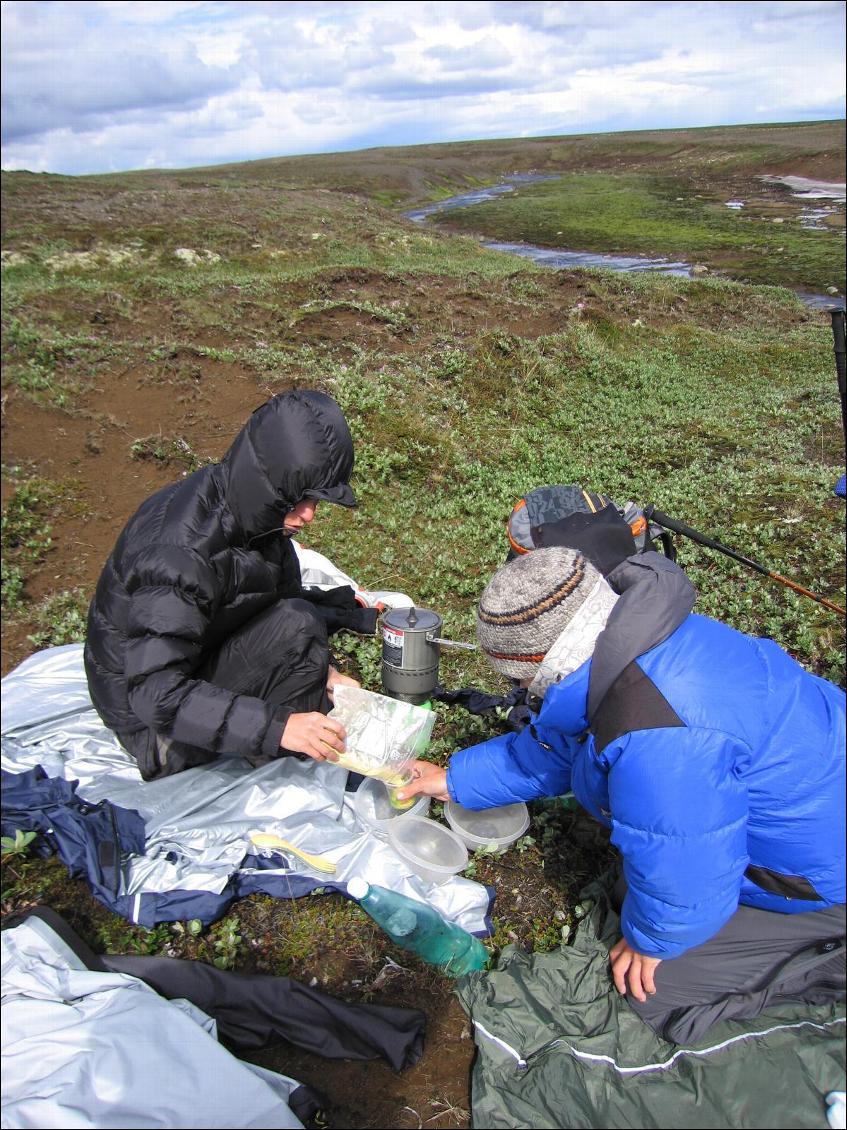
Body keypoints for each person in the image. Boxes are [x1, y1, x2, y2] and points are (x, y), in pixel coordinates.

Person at [398, 545, 846, 1044]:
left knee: (652, 989)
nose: (520, 689)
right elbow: (561, 747)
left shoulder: (655, 733)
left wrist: (653, 941)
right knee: (637, 889)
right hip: (812, 801)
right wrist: (455, 780)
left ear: (543, 662)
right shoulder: (640, 639)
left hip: (816, 874)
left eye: (517, 678)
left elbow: (688, 861)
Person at [84, 388, 361, 781]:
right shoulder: (180, 556)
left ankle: (295, 737)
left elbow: (282, 605)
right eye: (298, 499)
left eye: (315, 500)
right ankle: (284, 762)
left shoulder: (256, 514)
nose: (309, 516)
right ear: (266, 483)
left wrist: (328, 675)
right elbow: (155, 693)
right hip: (152, 728)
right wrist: (280, 728)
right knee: (298, 636)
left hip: (196, 660)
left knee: (300, 620)